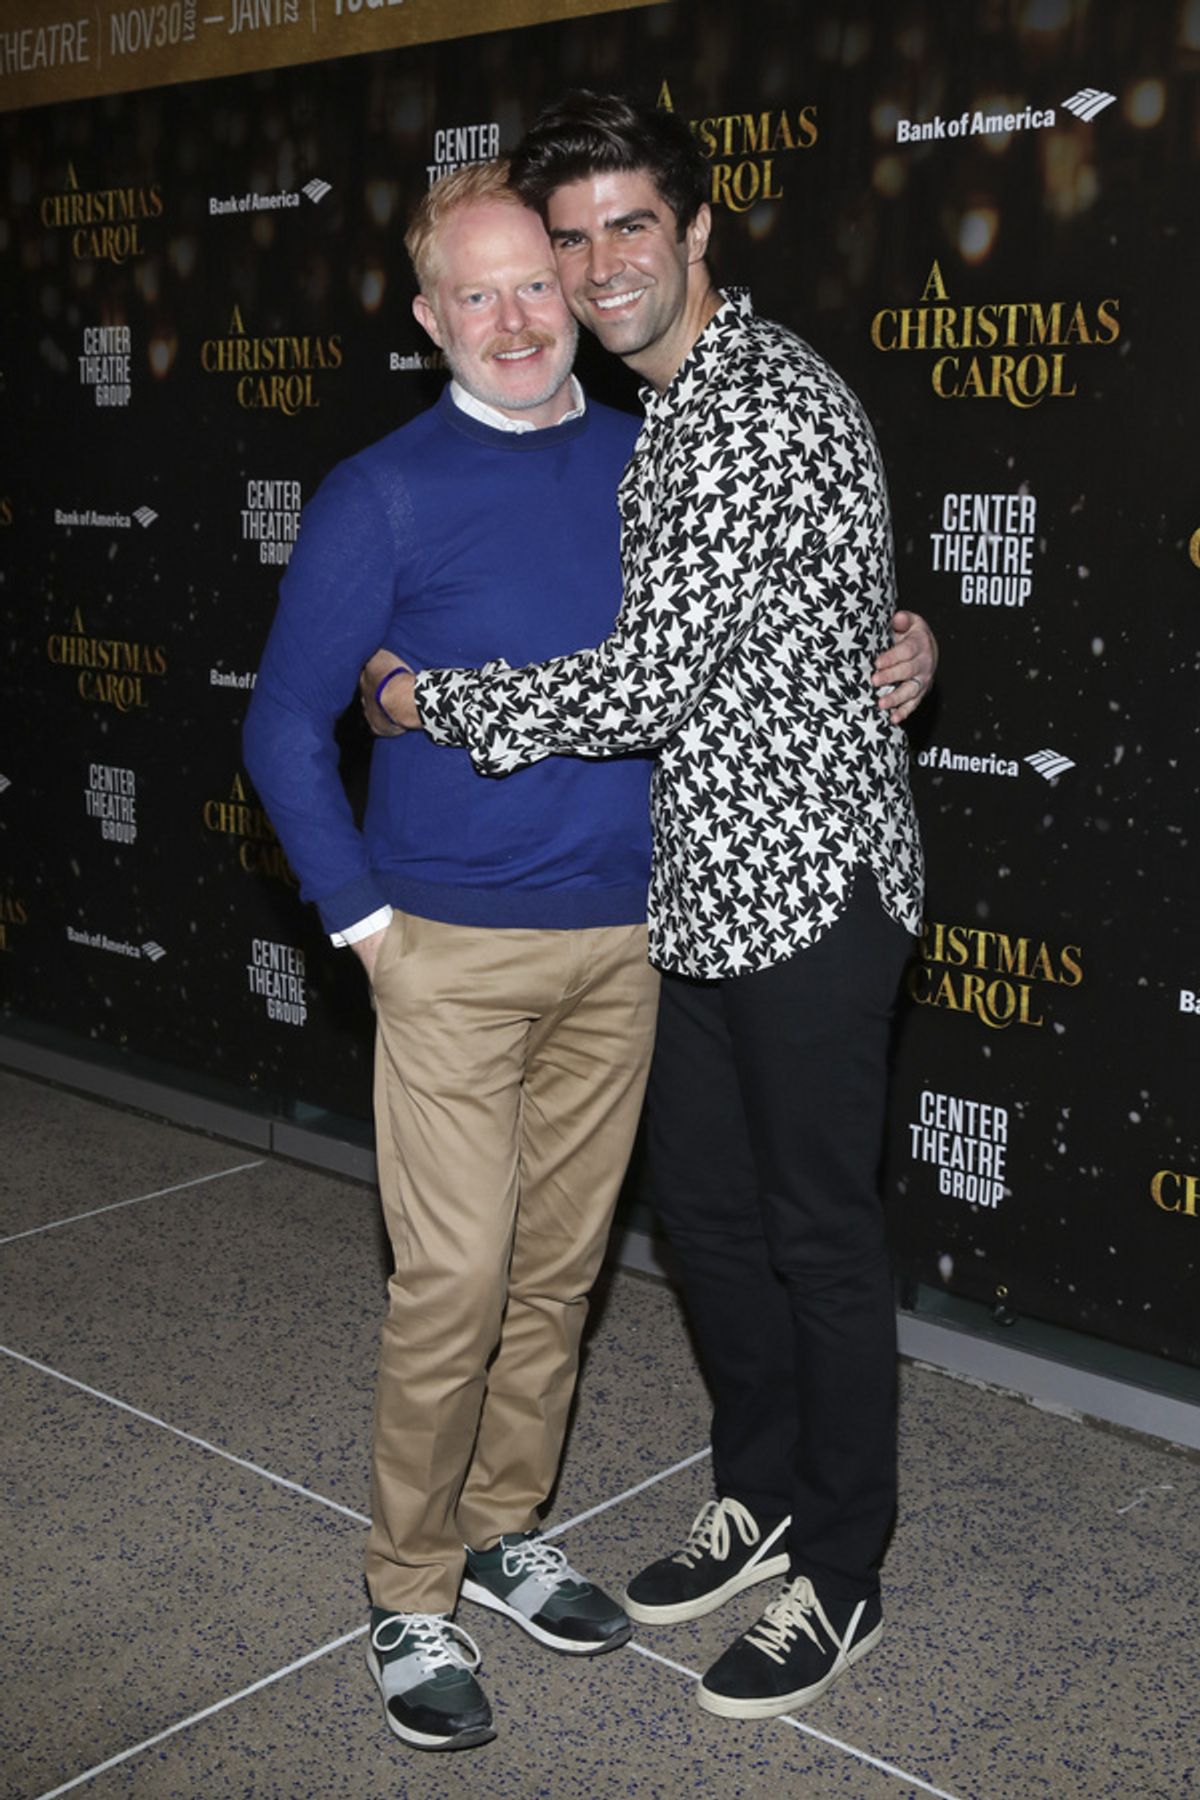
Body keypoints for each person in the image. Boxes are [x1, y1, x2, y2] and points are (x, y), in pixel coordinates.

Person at [368, 93, 929, 1725]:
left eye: (632, 226)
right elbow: (803, 612)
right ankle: (761, 1492)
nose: (600, 263)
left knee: (817, 1239)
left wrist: (428, 698)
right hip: (693, 896)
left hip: (809, 886)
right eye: (573, 236)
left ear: (697, 233)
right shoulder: (662, 407)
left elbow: (651, 680)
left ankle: (843, 1567)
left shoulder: (751, 403)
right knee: (715, 1228)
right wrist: (901, 635)